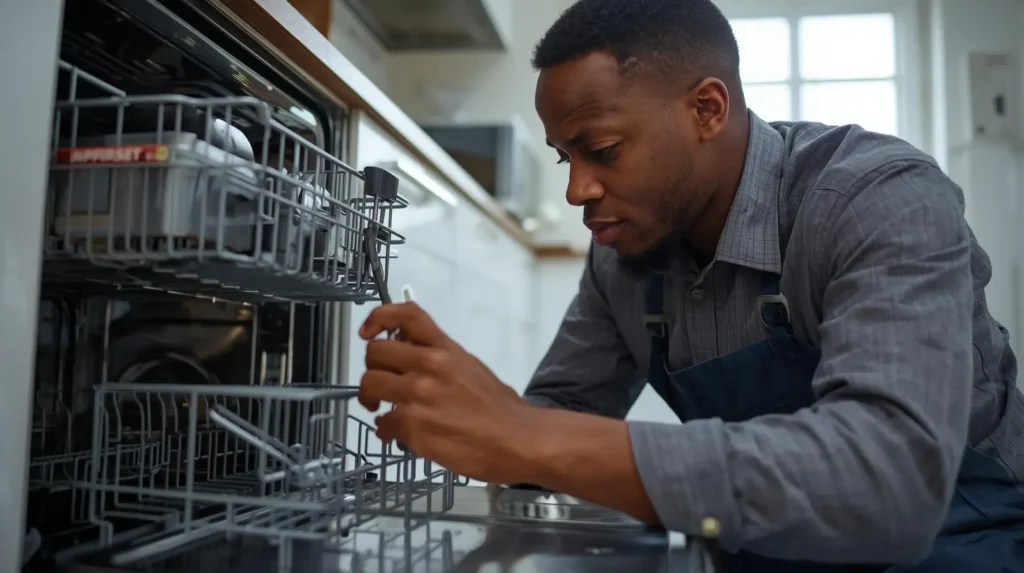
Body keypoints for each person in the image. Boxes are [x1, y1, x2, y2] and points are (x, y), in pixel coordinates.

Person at [356, 0, 1024, 570]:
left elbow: (890, 482)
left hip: (957, 548)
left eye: (604, 150)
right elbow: (555, 427)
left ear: (706, 108)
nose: (576, 190)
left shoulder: (879, 198)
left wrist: (525, 432)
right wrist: (468, 407)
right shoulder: (623, 258)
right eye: (567, 156)